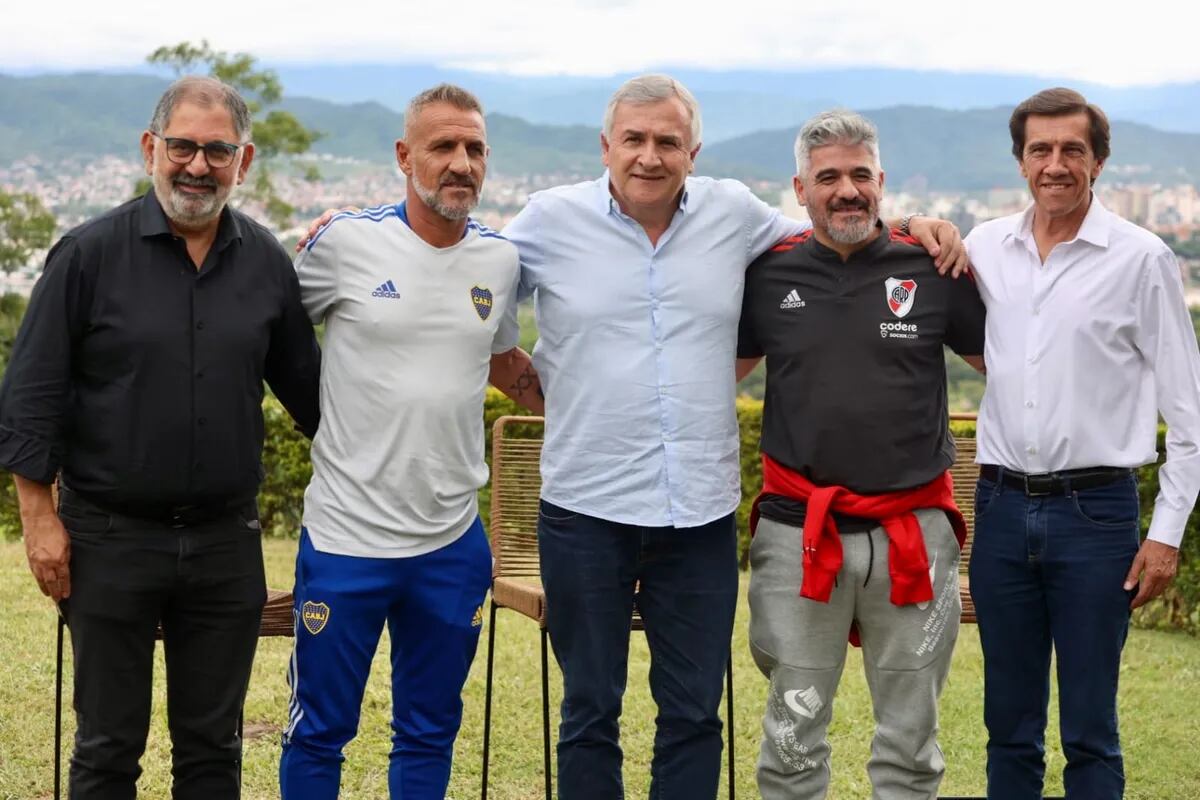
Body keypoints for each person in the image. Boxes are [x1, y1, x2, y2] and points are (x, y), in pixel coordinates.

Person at [498, 75, 968, 800]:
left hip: (698, 517)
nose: (650, 155)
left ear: (693, 151)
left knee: (693, 714)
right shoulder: (547, 220)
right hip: (585, 511)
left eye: (667, 141)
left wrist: (916, 226)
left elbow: (842, 224)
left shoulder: (736, 216)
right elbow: (471, 285)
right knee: (589, 710)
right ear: (606, 146)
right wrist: (537, 390)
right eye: (635, 138)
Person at [0, 76, 321, 798]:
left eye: (217, 150)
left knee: (213, 749)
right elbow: (32, 393)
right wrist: (38, 517)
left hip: (224, 543)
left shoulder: (267, 264)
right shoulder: (87, 255)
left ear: (244, 161)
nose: (197, 166)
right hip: (110, 539)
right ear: (151, 148)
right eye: (182, 146)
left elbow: (316, 398)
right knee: (108, 746)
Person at [278, 83, 541, 800]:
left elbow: (505, 364)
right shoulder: (346, 242)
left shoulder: (500, 261)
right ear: (404, 156)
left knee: (429, 730)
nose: (462, 163)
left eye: (475, 149)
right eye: (443, 147)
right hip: (345, 539)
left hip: (451, 545)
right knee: (318, 730)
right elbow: (263, 332)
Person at [735, 108, 985, 799]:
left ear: (883, 182)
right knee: (792, 735)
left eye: (860, 175)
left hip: (915, 535)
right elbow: (704, 380)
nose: (846, 190)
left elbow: (1012, 370)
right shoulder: (764, 275)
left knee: (911, 742)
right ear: (799, 189)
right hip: (798, 536)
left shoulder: (933, 265)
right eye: (828, 178)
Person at [964, 87, 1200, 800]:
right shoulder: (983, 247)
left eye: (1073, 150)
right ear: (1021, 161)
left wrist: (1165, 534)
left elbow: (1189, 415)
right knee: (1007, 722)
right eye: (1041, 149)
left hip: (1096, 517)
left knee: (1091, 730)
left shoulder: (1143, 259)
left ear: (1098, 161)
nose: (1056, 164)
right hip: (1000, 512)